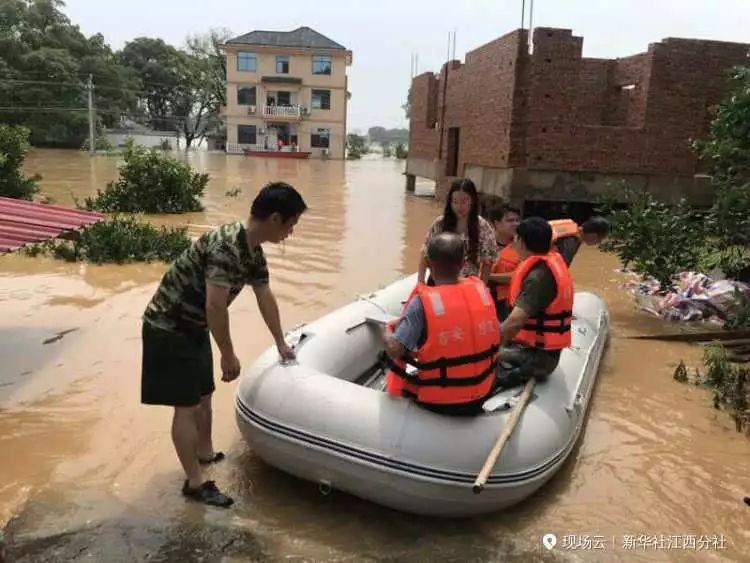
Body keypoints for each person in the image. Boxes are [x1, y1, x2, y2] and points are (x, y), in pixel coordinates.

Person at [140, 182, 307, 507]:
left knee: (204, 395)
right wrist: (227, 353)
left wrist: (280, 342)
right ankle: (194, 482)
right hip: (169, 327)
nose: (291, 232)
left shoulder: (252, 250)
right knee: (186, 407)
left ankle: (204, 453)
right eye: (291, 224)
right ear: (275, 218)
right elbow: (215, 306)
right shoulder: (227, 248)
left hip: (194, 326)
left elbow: (265, 296)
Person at [383, 232, 500, 415]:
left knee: (394, 354)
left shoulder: (422, 303)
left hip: (441, 401)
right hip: (482, 391)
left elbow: (395, 349)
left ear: (428, 263)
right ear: (463, 263)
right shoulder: (481, 293)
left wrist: (388, 330)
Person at [495, 217, 574, 389]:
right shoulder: (550, 261)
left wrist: (486, 346)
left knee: (484, 359)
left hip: (536, 358)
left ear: (521, 242)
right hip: (534, 348)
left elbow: (514, 323)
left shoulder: (538, 278)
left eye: (516, 238)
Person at [417, 178, 497, 285]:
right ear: (450, 202)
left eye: (464, 201)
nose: (459, 207)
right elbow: (425, 254)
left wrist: (482, 287)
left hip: (468, 285)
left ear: (472, 200)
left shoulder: (483, 227)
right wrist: (420, 283)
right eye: (455, 202)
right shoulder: (440, 223)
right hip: (439, 282)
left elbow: (487, 262)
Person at [487, 205, 522, 322]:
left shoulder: (523, 246)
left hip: (508, 303)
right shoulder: (482, 244)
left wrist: (488, 276)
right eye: (510, 220)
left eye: (517, 220)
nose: (515, 224)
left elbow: (518, 275)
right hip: (484, 298)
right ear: (496, 223)